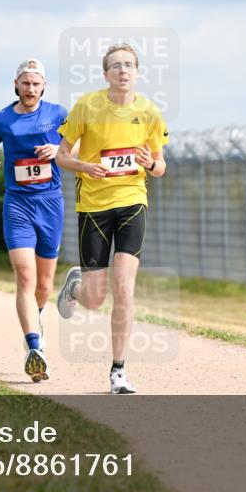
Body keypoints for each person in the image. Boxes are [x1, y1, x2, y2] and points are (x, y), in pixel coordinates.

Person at [54, 43, 169, 394]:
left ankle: (118, 371)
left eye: (129, 65)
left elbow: (161, 166)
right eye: (116, 65)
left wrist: (151, 164)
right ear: (106, 74)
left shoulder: (149, 112)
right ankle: (76, 287)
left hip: (133, 201)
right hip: (93, 205)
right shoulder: (87, 106)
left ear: (137, 72)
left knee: (124, 287)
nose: (122, 70)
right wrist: (83, 165)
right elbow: (61, 156)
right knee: (94, 298)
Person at [0, 59, 68, 383]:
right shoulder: (1, 118)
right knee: (25, 276)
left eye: (36, 83)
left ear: (43, 86)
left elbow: (80, 144)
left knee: (45, 284)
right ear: (16, 84)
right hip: (17, 204)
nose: (31, 89)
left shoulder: (59, 114)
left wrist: (57, 147)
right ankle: (34, 347)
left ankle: (36, 320)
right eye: (25, 83)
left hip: (50, 203)